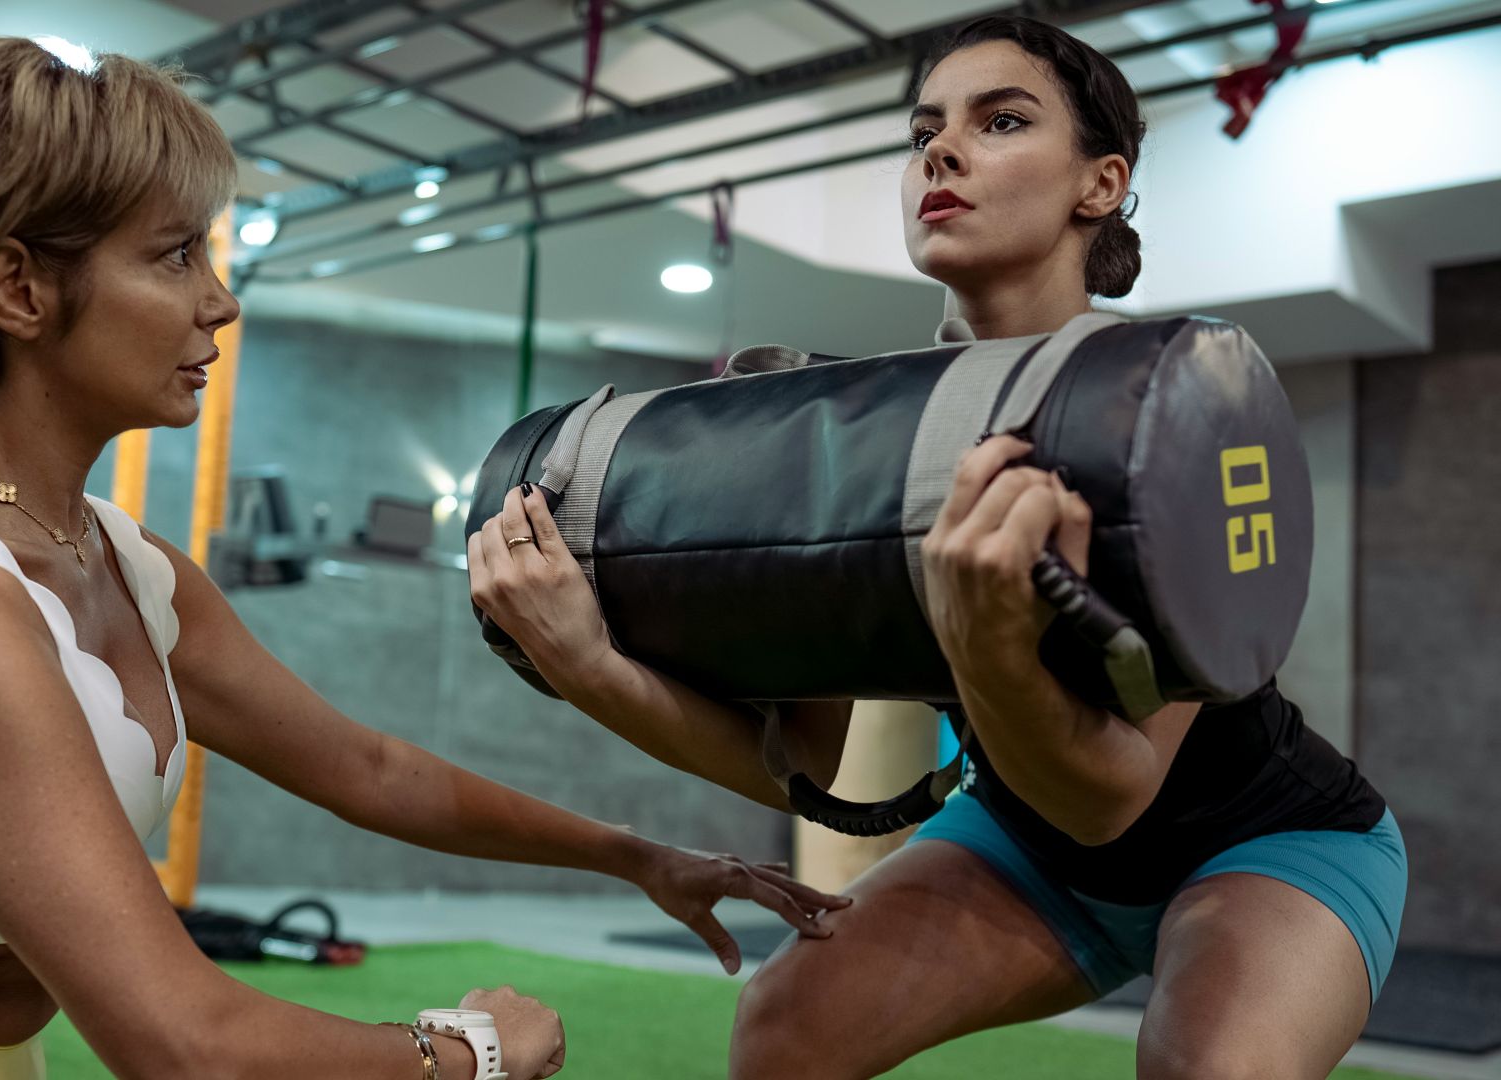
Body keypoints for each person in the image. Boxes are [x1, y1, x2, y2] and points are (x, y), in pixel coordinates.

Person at [0, 36, 851, 1080]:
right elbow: (179, 1042)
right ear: (19, 288)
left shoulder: (116, 557)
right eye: (174, 256)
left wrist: (637, 857)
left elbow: (370, 772)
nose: (220, 299)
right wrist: (471, 1053)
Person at [468, 15, 1405, 1080]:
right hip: (1033, 850)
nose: (940, 153)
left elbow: (1111, 792)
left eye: (1000, 121)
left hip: (1266, 837)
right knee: (783, 1030)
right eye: (924, 132)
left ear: (1099, 183)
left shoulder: (1161, 409)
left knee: (1207, 1069)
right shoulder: (861, 438)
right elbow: (806, 767)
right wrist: (587, 665)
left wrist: (990, 646)